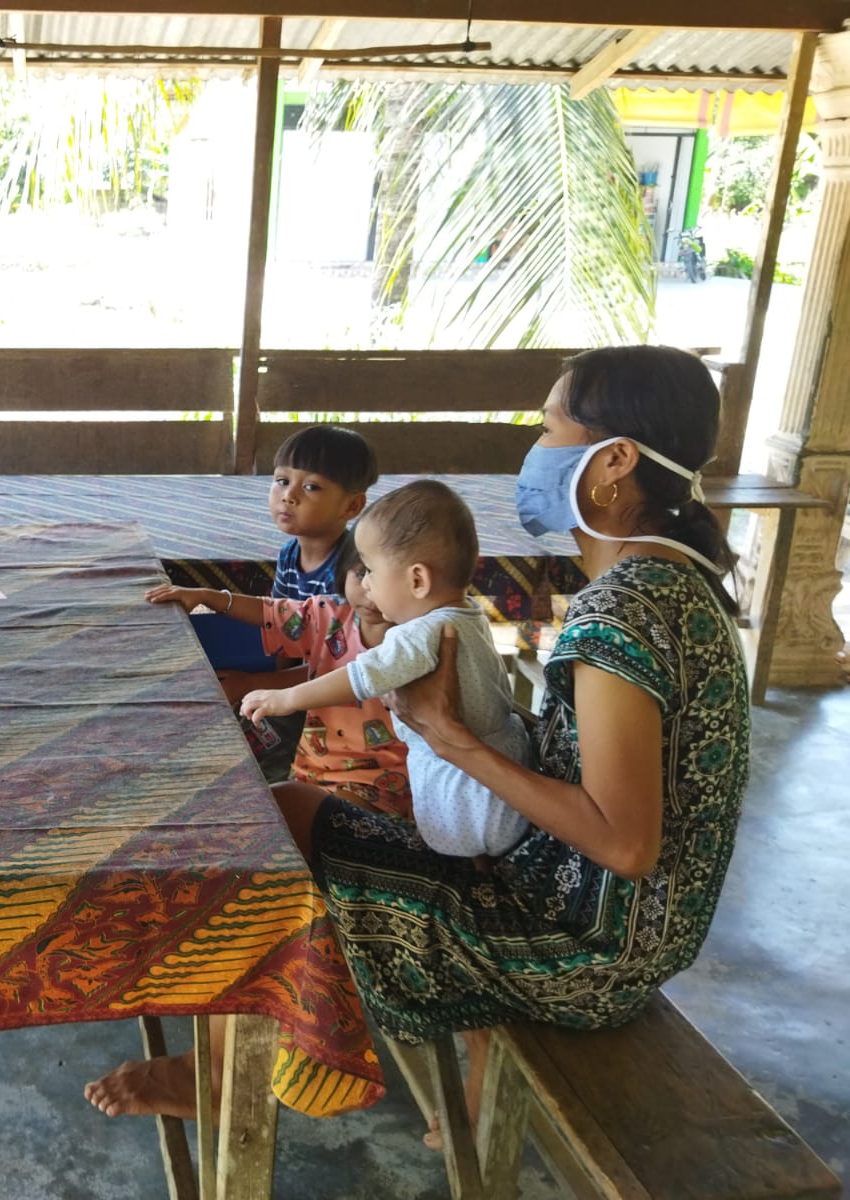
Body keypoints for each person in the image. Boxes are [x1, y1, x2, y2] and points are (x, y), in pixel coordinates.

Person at [87, 345, 749, 1129]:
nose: (534, 450)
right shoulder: (675, 586)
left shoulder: (621, 613)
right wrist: (482, 724)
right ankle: (276, 1049)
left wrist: (452, 736)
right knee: (290, 810)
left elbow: (627, 845)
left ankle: (238, 1071)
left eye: (549, 428)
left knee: (275, 843)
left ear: (613, 463)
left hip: (580, 946)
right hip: (602, 915)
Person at [241, 480, 532, 858]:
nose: (366, 584)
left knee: (452, 852)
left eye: (371, 572)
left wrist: (287, 698)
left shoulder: (421, 633)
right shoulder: (468, 616)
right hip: (503, 775)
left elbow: (362, 675)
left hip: (465, 790)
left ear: (417, 580)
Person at [147, 536, 411, 819]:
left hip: (382, 784)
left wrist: (280, 696)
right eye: (362, 574)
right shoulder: (332, 614)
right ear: (344, 571)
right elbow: (273, 612)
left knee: (320, 819)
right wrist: (207, 596)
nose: (371, 591)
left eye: (389, 579)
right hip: (313, 767)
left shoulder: (419, 643)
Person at [213, 425, 379, 781]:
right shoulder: (291, 553)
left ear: (351, 505)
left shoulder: (352, 575)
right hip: (292, 683)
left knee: (246, 754)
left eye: (311, 487)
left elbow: (342, 669)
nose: (288, 496)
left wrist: (251, 684)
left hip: (335, 703)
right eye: (281, 481)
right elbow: (281, 629)